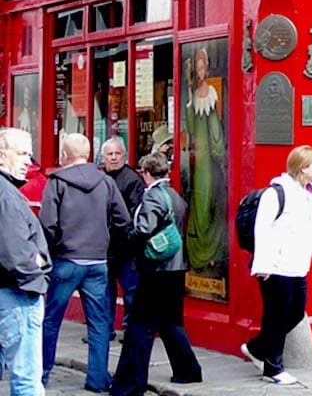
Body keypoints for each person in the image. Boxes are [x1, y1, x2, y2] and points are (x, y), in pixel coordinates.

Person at [39, 133, 130, 393]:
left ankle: (41, 376)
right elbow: (123, 219)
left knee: (51, 321)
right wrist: (104, 241)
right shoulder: (105, 181)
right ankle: (97, 378)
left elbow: (48, 224)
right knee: (100, 324)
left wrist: (53, 250)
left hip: (66, 260)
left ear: (64, 155)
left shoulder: (56, 182)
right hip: (98, 261)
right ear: (90, 154)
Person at [110, 152, 202, 396]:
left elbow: (142, 230)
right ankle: (188, 370)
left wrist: (126, 242)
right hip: (176, 267)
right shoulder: (174, 195)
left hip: (155, 269)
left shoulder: (152, 197)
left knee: (140, 327)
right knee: (171, 322)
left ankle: (130, 384)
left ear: (147, 173)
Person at [240, 145, 312, 386]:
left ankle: (257, 348)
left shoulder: (310, 193)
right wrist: (264, 266)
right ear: (303, 168)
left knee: (294, 313)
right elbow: (263, 230)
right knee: (276, 316)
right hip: (275, 267)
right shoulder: (276, 192)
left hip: (298, 266)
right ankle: (273, 368)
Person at [0, 127, 51, 395]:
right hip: (16, 296)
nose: (27, 162)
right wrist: (38, 279)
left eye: (30, 155)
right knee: (27, 381)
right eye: (21, 154)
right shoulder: (6, 196)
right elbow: (16, 252)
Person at [183, 47, 227, 270]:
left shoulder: (211, 93)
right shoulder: (196, 94)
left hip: (206, 160)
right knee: (199, 203)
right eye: (197, 69)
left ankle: (210, 251)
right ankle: (200, 250)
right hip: (198, 159)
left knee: (205, 201)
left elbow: (215, 128)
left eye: (202, 68)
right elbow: (190, 127)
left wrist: (219, 154)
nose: (200, 72)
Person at [101, 137, 145, 341]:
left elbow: (135, 213)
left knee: (131, 291)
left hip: (125, 246)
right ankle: (105, 329)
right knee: (104, 291)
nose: (113, 157)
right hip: (104, 246)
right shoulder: (100, 177)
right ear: (103, 157)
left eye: (117, 153)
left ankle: (130, 329)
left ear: (124, 156)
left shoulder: (132, 179)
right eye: (110, 154)